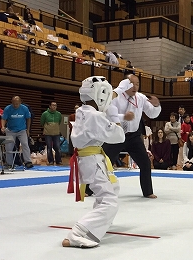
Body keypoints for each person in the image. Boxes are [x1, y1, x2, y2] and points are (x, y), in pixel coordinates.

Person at [63, 76, 125, 248]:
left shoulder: (82, 112)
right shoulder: (95, 116)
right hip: (92, 160)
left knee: (112, 187)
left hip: (90, 158)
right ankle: (79, 232)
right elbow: (118, 136)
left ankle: (99, 222)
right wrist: (115, 117)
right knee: (109, 201)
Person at [102, 75, 161, 198]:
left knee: (145, 162)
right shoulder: (115, 96)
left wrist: (156, 106)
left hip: (133, 136)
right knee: (104, 162)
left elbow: (152, 114)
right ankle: (89, 189)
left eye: (137, 84)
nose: (135, 87)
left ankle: (148, 191)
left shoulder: (141, 98)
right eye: (132, 83)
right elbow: (107, 114)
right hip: (116, 133)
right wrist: (123, 116)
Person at [1, 96, 33, 169]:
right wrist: (3, 126)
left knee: (25, 144)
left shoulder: (24, 108)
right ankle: (9, 163)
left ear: (20, 102)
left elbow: (28, 118)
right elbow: (4, 118)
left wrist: (28, 130)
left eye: (17, 104)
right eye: (14, 104)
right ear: (11, 102)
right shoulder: (7, 109)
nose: (15, 105)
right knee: (9, 147)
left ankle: (28, 161)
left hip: (22, 130)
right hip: (10, 130)